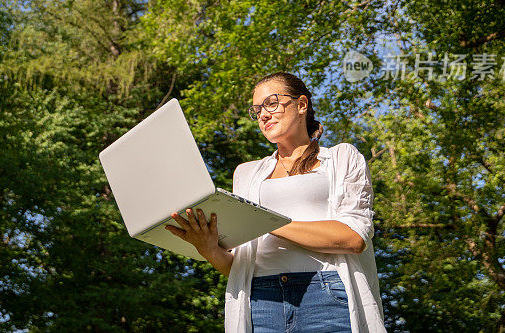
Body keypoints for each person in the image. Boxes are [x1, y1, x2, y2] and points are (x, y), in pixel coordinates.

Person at [165, 72, 385, 333]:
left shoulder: (342, 158)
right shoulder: (246, 173)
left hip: (325, 294)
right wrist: (209, 249)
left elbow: (353, 238)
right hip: (261, 299)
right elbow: (239, 266)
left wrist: (262, 222)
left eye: (271, 104)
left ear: (301, 105)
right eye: (257, 110)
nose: (263, 115)